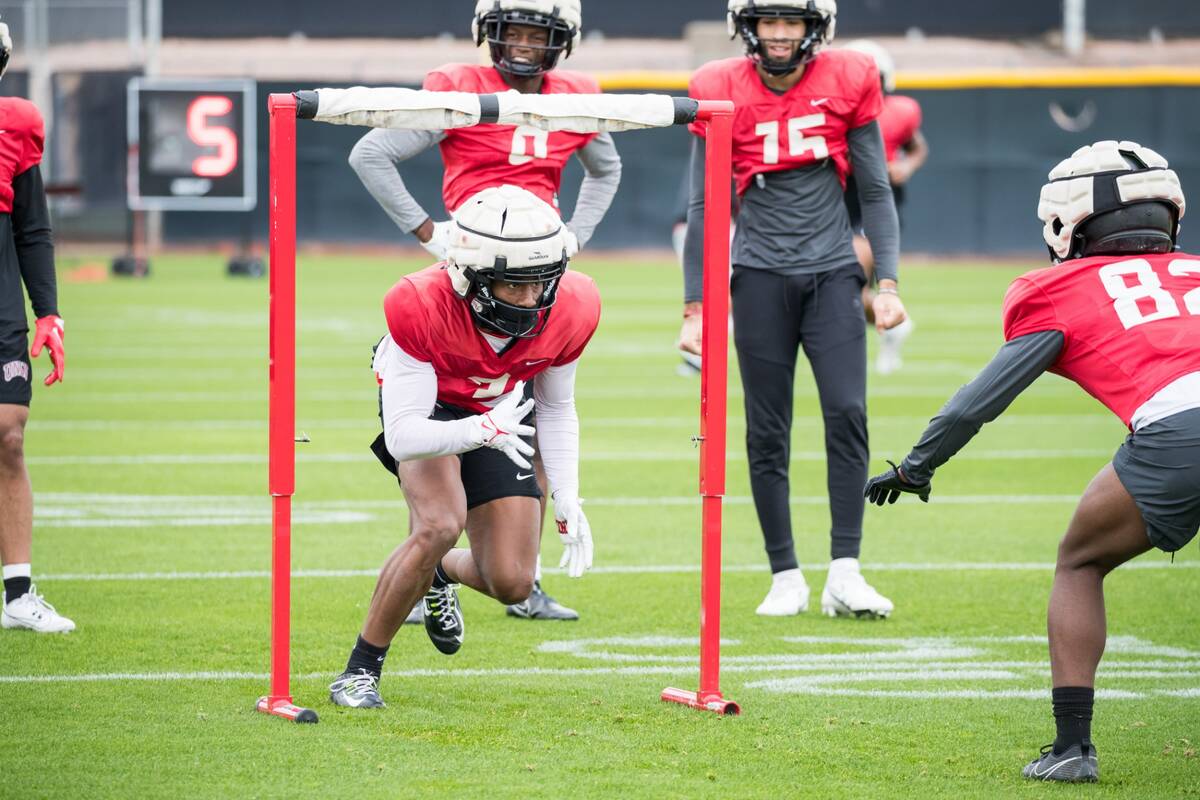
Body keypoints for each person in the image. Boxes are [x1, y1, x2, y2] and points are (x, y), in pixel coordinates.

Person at [865, 140, 1195, 783]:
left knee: (1080, 560)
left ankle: (1073, 747)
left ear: (1068, 221)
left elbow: (974, 405)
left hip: (1180, 430)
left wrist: (916, 467)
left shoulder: (1056, 288)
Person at [349, 0, 619, 622]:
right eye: (513, 31)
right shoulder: (457, 87)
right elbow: (370, 155)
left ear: (564, 42)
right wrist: (427, 233)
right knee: (438, 404)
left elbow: (606, 170)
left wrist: (574, 236)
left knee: (537, 419)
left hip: (540, 278)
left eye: (538, 34)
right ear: (488, 35)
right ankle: (428, 562)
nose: (524, 46)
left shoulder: (577, 94)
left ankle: (518, 569)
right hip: (471, 278)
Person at [329, 185, 600, 708]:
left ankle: (436, 572)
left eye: (541, 283)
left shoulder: (574, 306)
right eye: (512, 285)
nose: (530, 300)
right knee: (439, 523)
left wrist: (567, 493)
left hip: (498, 410)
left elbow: (557, 406)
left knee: (513, 581)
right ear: (468, 276)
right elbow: (404, 436)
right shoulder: (419, 304)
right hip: (430, 408)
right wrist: (481, 431)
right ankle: (360, 670)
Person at [679, 0, 908, 619]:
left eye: (793, 22)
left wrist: (885, 284)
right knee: (766, 430)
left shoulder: (850, 76)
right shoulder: (718, 86)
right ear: (746, 26)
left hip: (833, 272)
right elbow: (705, 207)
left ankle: (845, 569)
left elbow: (877, 189)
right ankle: (785, 573)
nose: (780, 34)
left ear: (815, 28)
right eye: (769, 21)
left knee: (847, 412)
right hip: (757, 277)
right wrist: (695, 305)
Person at [0, 21, 72, 634]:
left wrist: (47, 311)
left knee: (9, 433)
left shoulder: (14, 122)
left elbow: (32, 226)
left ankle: (18, 592)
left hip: (0, 293)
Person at [841, 39, 927, 374]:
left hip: (874, 204)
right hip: (836, 201)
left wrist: (906, 166)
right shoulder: (829, 109)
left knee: (847, 281)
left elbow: (917, 146)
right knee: (846, 288)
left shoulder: (896, 112)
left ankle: (887, 319)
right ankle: (890, 323)